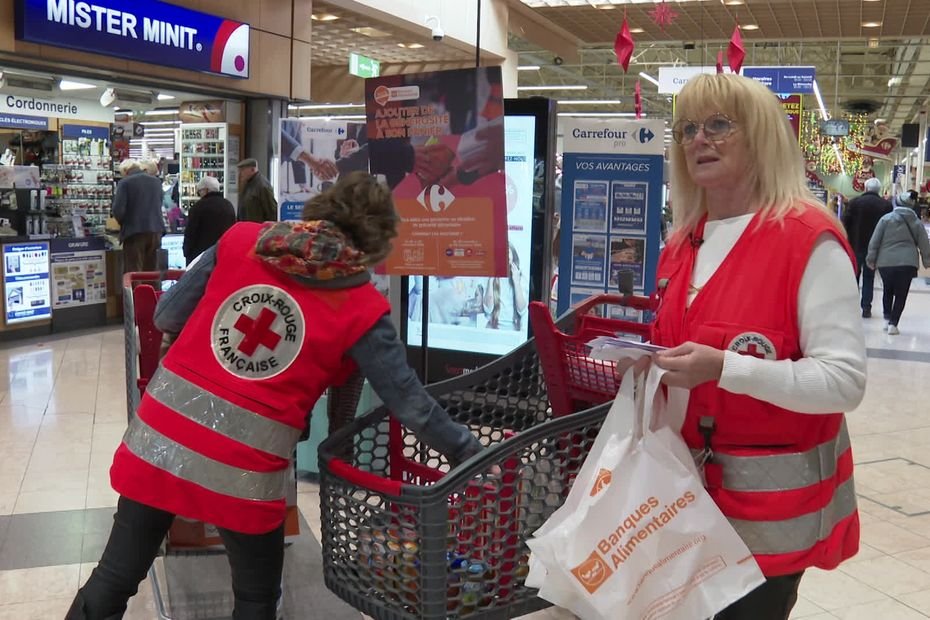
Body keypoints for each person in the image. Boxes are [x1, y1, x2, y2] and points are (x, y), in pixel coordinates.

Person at [68, 172, 485, 620]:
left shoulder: (241, 239)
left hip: (160, 438)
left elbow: (167, 315)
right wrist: (470, 453)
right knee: (255, 599)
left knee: (114, 576)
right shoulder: (362, 306)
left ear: (321, 209)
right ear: (376, 241)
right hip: (243, 471)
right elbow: (410, 402)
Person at [649, 73, 866, 620]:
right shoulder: (681, 241)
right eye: (688, 129)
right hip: (682, 499)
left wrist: (726, 368)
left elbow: (844, 381)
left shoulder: (806, 238)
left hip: (770, 520)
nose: (699, 139)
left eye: (719, 124)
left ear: (763, 136)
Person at [866, 191, 930, 335]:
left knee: (887, 290)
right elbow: (924, 244)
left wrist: (871, 259)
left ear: (897, 203)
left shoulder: (885, 219)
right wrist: (927, 261)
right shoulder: (916, 222)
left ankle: (886, 318)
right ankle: (893, 324)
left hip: (886, 262)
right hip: (908, 263)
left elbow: (875, 241)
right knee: (901, 294)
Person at [842, 177, 891, 317]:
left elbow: (845, 223)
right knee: (869, 277)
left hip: (855, 245)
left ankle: (852, 307)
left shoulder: (854, 203)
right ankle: (866, 308)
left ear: (865, 188)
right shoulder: (886, 206)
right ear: (878, 190)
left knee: (854, 277)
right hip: (875, 248)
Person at [112, 159, 165, 273]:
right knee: (151, 270)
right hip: (156, 231)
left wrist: (124, 223)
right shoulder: (156, 182)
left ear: (125, 170)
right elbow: (159, 203)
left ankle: (137, 286)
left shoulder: (125, 183)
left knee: (134, 270)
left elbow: (118, 210)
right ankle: (152, 285)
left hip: (134, 232)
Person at [183, 175, 236, 264]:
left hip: (201, 257)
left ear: (206, 190)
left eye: (200, 191)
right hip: (223, 254)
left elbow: (191, 234)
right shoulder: (228, 206)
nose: (199, 194)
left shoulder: (198, 208)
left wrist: (186, 252)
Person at [483, 243, 527, 331]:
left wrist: (516, 282)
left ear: (513, 256)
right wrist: (490, 280)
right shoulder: (490, 277)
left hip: (513, 329)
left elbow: (522, 310)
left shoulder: (520, 277)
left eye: (507, 252)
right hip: (493, 329)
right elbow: (488, 309)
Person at [236, 158, 278, 223]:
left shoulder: (262, 186)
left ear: (252, 169)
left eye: (243, 170)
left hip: (257, 227)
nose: (240, 173)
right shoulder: (248, 184)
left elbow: (272, 212)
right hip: (247, 226)